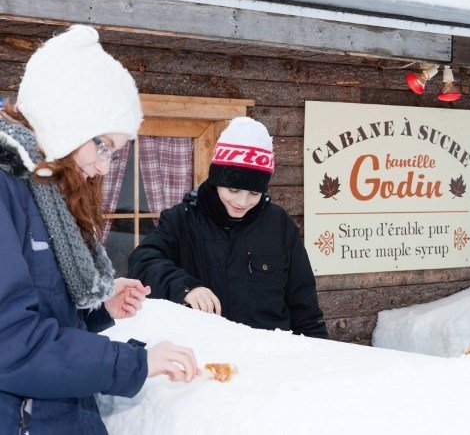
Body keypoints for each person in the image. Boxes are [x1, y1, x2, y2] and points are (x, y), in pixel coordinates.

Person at [0, 25, 199, 435]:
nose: (106, 167)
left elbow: (41, 316)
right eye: (102, 144)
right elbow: (10, 345)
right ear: (65, 119)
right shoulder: (8, 190)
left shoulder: (42, 192)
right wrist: (134, 363)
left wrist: (97, 313)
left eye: (116, 150)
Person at [128, 117, 328, 338]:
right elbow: (143, 262)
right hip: (205, 353)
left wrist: (321, 355)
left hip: (272, 356)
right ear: (216, 180)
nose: (242, 202)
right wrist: (186, 287)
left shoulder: (279, 224)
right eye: (233, 190)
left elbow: (305, 308)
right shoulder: (182, 220)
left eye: (253, 193)